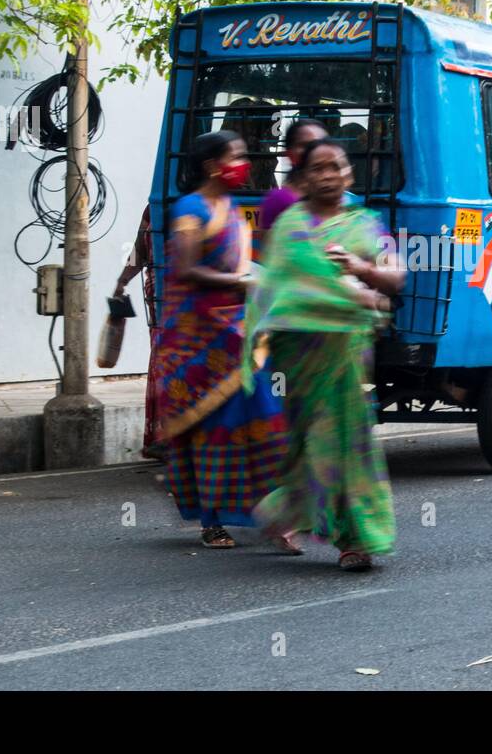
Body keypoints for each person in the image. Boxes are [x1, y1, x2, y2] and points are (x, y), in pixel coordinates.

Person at [243, 138, 405, 571]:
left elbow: (395, 278)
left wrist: (360, 269)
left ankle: (356, 540)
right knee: (307, 443)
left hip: (345, 352)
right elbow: (270, 289)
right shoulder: (289, 227)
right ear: (304, 177)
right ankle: (293, 502)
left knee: (347, 446)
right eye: (318, 168)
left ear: (349, 174)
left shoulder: (365, 225)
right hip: (297, 354)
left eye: (336, 166)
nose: (328, 175)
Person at [150, 129, 290, 549]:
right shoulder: (190, 208)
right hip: (196, 344)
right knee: (211, 431)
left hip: (237, 337)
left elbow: (240, 263)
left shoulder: (229, 206)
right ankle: (211, 520)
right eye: (237, 156)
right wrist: (240, 281)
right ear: (213, 165)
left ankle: (278, 515)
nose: (245, 164)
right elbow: (188, 269)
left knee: (263, 420)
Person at [112, 206, 160, 457]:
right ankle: (162, 437)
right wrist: (122, 281)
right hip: (162, 298)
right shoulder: (156, 208)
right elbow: (138, 251)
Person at [257, 118, 329, 231]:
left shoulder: (336, 194)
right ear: (289, 153)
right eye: (305, 145)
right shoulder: (278, 199)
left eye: (319, 144)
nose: (313, 150)